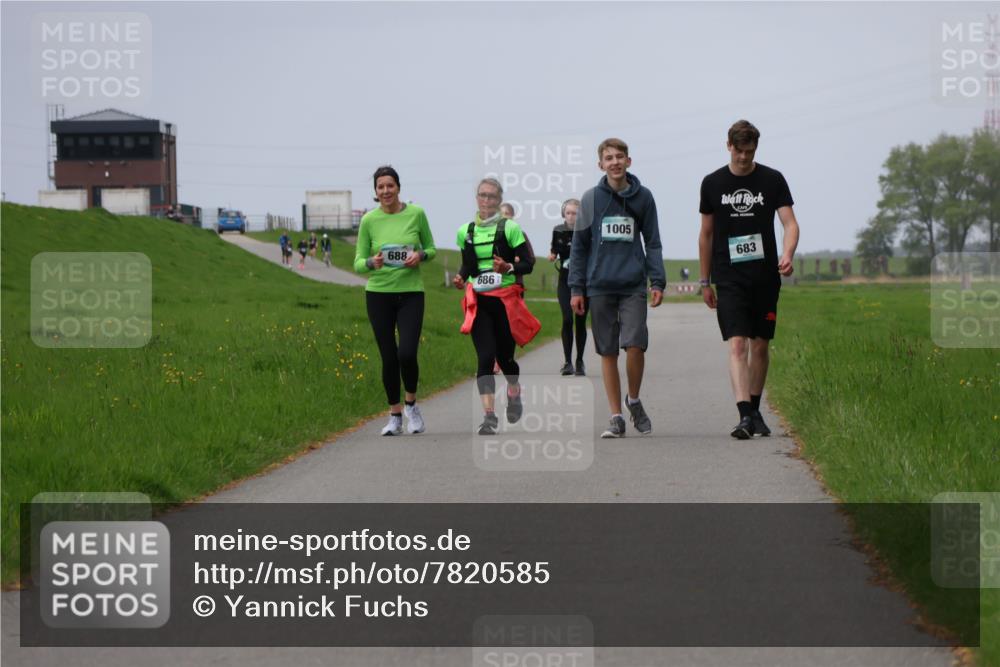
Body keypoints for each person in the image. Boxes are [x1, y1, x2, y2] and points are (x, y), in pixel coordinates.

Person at [698, 119, 799, 439]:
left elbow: (790, 223)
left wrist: (787, 254)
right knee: (738, 343)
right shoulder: (712, 183)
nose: (743, 157)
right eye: (739, 150)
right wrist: (705, 281)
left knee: (761, 344)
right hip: (729, 276)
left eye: (750, 151)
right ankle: (744, 415)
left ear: (756, 148)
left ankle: (755, 410)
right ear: (728, 146)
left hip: (765, 276)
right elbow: (706, 234)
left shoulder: (772, 180)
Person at [569, 138, 665, 438]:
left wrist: (657, 280)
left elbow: (653, 242)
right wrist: (576, 287)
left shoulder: (644, 198)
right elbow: (579, 247)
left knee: (635, 344)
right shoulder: (590, 200)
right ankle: (615, 417)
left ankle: (633, 400)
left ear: (629, 161)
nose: (615, 162)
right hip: (599, 286)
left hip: (633, 285)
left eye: (619, 157)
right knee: (608, 351)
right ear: (601, 165)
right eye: (608, 158)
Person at [354, 165, 436, 435]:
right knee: (389, 357)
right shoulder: (369, 221)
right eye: (380, 187)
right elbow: (357, 263)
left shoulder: (417, 214)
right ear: (375, 192)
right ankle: (394, 416)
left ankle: (411, 405)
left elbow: (431, 249)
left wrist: (420, 256)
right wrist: (371, 262)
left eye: (390, 185)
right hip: (378, 295)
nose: (386, 191)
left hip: (411, 293)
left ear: (398, 187)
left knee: (407, 353)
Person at [453, 177, 539, 435]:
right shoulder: (465, 231)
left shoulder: (510, 228)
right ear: (476, 198)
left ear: (499, 200)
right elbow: (468, 265)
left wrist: (508, 267)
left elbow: (528, 263)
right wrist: (460, 277)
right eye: (482, 195)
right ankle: (489, 417)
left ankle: (514, 392)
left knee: (506, 359)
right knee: (485, 357)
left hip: (505, 302)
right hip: (479, 301)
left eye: (491, 196)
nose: (486, 200)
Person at [549, 198, 588, 376]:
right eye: (569, 213)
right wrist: (552, 255)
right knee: (567, 319)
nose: (572, 216)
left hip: (582, 282)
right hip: (564, 281)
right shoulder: (558, 230)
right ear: (564, 214)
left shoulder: (586, 230)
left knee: (580, 322)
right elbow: (554, 249)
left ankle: (580, 361)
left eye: (575, 213)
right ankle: (567, 362)